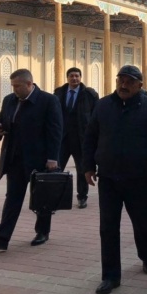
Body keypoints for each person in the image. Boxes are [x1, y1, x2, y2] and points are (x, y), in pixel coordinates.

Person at [84, 65, 147, 294]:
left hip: (139, 177)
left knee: (142, 221)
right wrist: (88, 166)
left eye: (129, 81)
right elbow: (90, 137)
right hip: (109, 178)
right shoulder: (103, 105)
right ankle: (110, 276)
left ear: (139, 85)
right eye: (120, 80)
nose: (124, 85)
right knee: (108, 227)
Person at [0, 69, 62, 250]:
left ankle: (42, 231)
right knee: (12, 198)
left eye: (17, 86)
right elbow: (4, 122)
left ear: (29, 84)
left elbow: (55, 131)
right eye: (13, 86)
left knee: (41, 198)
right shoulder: (9, 100)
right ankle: (1, 238)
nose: (14, 89)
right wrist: (0, 130)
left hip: (38, 159)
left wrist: (52, 158)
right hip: (14, 158)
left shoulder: (48, 101)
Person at [53, 67, 98, 209]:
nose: (74, 78)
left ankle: (82, 197)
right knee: (57, 168)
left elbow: (96, 116)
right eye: (71, 76)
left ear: (80, 77)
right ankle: (56, 197)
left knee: (82, 169)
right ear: (67, 78)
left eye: (77, 76)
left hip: (81, 138)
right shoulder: (58, 93)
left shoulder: (89, 95)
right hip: (63, 138)